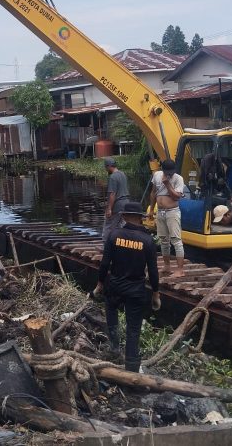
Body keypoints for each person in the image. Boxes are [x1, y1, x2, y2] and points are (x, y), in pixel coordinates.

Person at [94, 201, 160, 372]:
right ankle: (131, 365)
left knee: (111, 313)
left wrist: (100, 283)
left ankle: (114, 347)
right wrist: (156, 293)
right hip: (136, 290)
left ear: (123, 216)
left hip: (114, 285)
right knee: (133, 328)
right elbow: (153, 271)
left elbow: (105, 264)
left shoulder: (114, 235)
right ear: (141, 218)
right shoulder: (148, 240)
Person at [148, 159, 185, 276]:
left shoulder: (178, 178)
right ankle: (167, 266)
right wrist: (151, 209)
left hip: (172, 212)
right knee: (164, 240)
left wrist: (167, 184)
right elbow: (153, 192)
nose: (169, 174)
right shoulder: (157, 175)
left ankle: (180, 270)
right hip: (160, 212)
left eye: (171, 172)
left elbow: (177, 197)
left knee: (176, 240)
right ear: (162, 170)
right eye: (167, 172)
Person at [102, 157, 129, 243]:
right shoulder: (123, 174)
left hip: (117, 204)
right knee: (122, 225)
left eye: (106, 167)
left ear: (109, 166)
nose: (106, 170)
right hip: (126, 203)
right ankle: (122, 244)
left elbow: (112, 194)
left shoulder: (113, 177)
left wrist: (109, 208)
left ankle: (106, 245)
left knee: (109, 225)